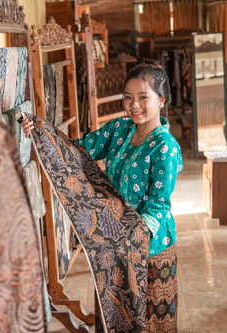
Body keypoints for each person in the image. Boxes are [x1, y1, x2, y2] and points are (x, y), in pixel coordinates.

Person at [21, 63, 183, 332]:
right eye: (128, 97)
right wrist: (40, 131)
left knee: (151, 321)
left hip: (150, 247)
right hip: (113, 247)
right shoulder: (120, 129)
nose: (134, 105)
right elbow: (77, 152)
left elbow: (158, 203)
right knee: (113, 314)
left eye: (143, 97)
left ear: (161, 100)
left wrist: (133, 236)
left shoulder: (164, 147)